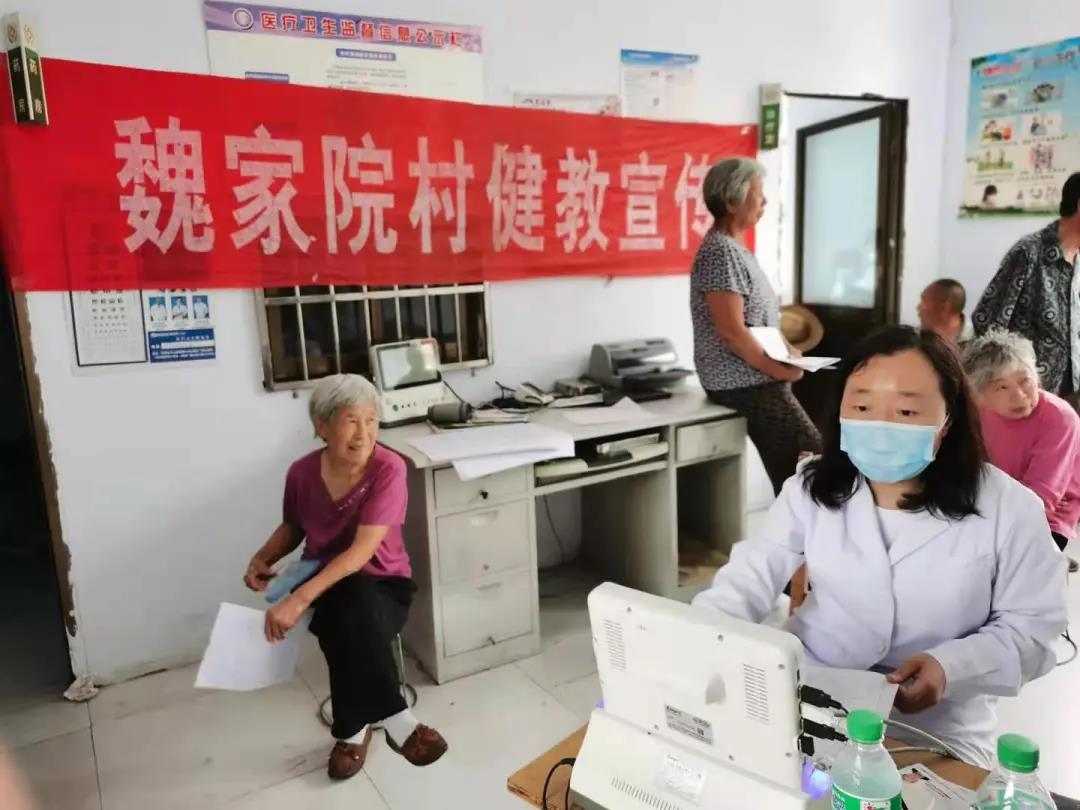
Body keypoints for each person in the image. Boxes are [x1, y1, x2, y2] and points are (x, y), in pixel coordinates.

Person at [693, 326, 1066, 766]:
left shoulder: (1008, 507)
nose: (880, 426)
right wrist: (697, 639)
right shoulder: (811, 487)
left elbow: (1033, 631)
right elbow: (746, 580)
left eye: (906, 411)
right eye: (863, 406)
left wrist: (951, 666)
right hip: (810, 693)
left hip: (937, 724)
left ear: (949, 422)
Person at [243, 374, 448, 781]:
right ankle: (396, 720)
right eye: (351, 421)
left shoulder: (389, 468)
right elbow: (294, 526)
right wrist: (262, 557)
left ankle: (353, 733)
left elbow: (359, 554)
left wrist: (298, 600)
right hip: (323, 580)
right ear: (322, 425)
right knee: (345, 611)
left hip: (385, 584)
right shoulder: (301, 473)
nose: (364, 434)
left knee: (347, 612)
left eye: (371, 420)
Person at [690, 157, 820, 494]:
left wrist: (787, 354)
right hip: (742, 382)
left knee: (804, 466)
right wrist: (776, 370)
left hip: (755, 377)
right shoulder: (720, 252)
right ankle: (803, 542)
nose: (764, 202)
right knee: (810, 464)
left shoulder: (736, 249)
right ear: (732, 202)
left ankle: (805, 539)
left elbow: (756, 321)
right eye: (758, 194)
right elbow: (732, 331)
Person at [962, 330, 1080, 566]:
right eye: (1001, 388)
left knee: (998, 564)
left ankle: (1048, 553)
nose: (1019, 396)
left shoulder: (1059, 417)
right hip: (991, 504)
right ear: (979, 394)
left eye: (1025, 381)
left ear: (1037, 378)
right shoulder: (975, 411)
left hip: (1048, 517)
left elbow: (1043, 497)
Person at [973, 172, 1080, 410]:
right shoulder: (1029, 253)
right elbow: (988, 321)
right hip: (1027, 400)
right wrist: (1012, 385)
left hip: (1071, 399)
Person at [917, 279, 969, 344]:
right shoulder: (914, 341)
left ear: (943, 308)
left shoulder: (978, 347)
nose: (918, 307)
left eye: (924, 301)